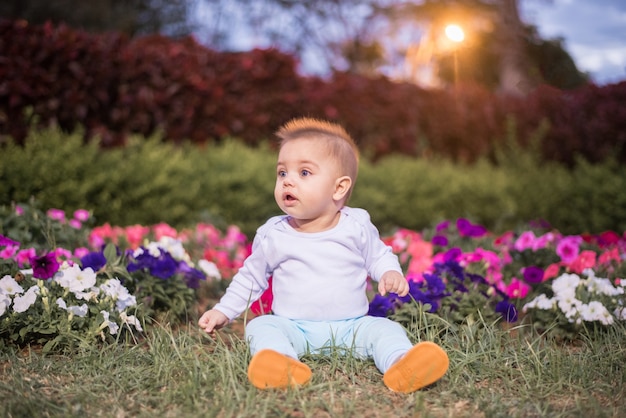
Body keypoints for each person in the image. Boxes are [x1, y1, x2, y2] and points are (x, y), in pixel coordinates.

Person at [198, 117, 449, 393]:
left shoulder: (356, 226)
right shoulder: (274, 234)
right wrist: (224, 311)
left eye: (304, 173)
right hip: (292, 327)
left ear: (338, 188)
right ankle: (281, 364)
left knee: (385, 330)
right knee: (261, 327)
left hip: (352, 328)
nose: (288, 182)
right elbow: (250, 278)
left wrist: (389, 272)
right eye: (282, 173)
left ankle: (402, 362)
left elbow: (379, 256)